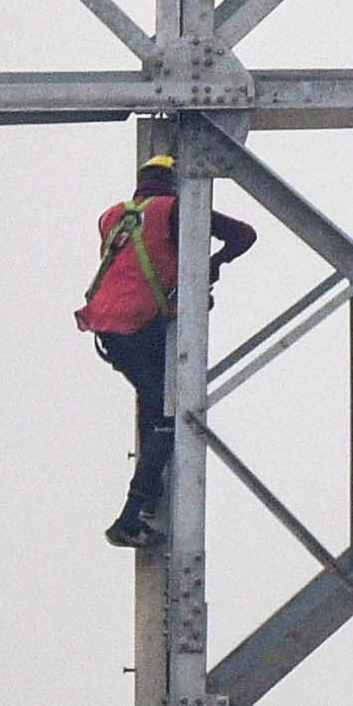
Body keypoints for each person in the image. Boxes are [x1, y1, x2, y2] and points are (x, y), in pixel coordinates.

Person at [77, 152, 259, 549]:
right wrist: (212, 264)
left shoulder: (112, 217)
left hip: (107, 328)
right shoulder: (176, 210)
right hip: (142, 324)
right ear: (174, 182)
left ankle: (146, 499)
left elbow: (134, 269)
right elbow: (244, 235)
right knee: (167, 415)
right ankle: (131, 515)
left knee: (152, 398)